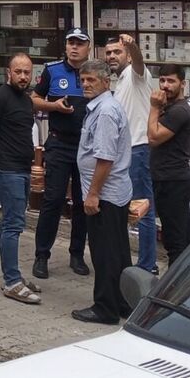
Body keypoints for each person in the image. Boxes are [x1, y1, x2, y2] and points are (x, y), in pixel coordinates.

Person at [72, 59, 133, 325]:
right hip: (112, 192)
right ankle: (123, 302)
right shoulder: (100, 107)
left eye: (91, 80)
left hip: (105, 195)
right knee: (117, 251)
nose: (85, 84)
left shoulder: (106, 111)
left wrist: (93, 194)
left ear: (106, 82)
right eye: (83, 80)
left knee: (105, 252)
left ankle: (106, 307)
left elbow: (105, 158)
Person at [0, 53, 41, 304]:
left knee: (13, 223)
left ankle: (14, 276)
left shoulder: (26, 100)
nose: (23, 76)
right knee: (13, 225)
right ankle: (12, 282)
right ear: (8, 73)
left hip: (21, 169)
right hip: (6, 170)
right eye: (18, 72)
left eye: (27, 72)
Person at [32, 28, 92, 281]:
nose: (74, 47)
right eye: (71, 43)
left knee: (82, 203)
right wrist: (53, 106)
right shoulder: (52, 70)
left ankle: (77, 254)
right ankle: (41, 255)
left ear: (88, 48)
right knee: (53, 200)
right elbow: (34, 99)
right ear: (65, 46)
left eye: (80, 43)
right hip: (59, 144)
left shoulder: (95, 72)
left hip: (86, 147)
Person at [106, 33, 157, 273]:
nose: (112, 56)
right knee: (131, 207)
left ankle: (147, 265)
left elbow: (139, 61)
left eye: (117, 52)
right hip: (124, 152)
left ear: (127, 56)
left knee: (142, 208)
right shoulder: (118, 82)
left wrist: (133, 45)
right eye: (108, 53)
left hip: (138, 149)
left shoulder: (137, 75)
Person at [147, 65, 190, 267]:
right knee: (179, 236)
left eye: (171, 81)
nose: (165, 86)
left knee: (176, 241)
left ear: (183, 84)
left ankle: (176, 281)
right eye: (162, 80)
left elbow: (154, 138)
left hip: (173, 181)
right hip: (166, 179)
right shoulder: (170, 107)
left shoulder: (180, 111)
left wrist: (154, 107)